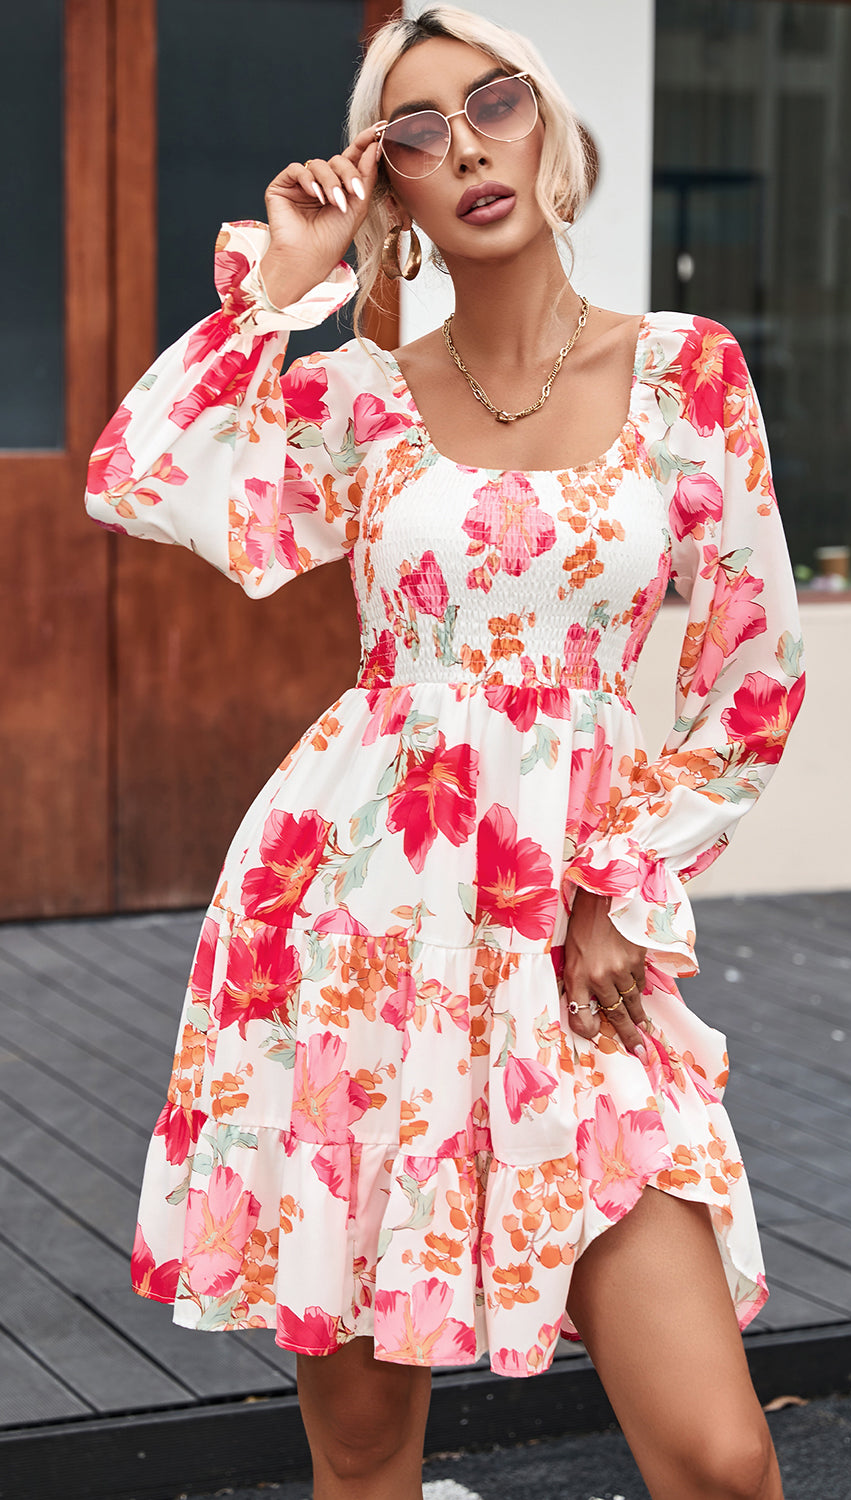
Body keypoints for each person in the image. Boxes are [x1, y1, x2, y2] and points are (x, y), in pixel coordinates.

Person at [85, 7, 805, 1497]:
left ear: (548, 128)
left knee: (722, 1462)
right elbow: (143, 476)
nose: (464, 145)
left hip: (570, 945)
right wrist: (279, 282)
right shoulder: (360, 400)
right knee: (363, 1459)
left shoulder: (683, 374)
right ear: (387, 188)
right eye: (414, 131)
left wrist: (614, 886)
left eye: (492, 104)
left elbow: (751, 678)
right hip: (351, 930)